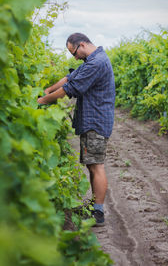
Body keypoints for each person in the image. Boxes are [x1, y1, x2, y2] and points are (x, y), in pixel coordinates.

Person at [37, 33, 115, 226]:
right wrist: (47, 90)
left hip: (95, 122)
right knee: (91, 164)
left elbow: (70, 90)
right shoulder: (92, 60)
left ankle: (98, 213)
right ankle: (94, 207)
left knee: (96, 165)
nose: (75, 57)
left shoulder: (96, 63)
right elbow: (69, 78)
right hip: (92, 121)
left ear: (81, 44)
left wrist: (40, 101)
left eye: (74, 53)